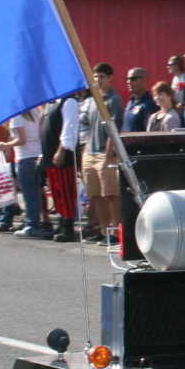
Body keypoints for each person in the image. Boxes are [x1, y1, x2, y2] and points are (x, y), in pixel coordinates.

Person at [77, 63, 124, 244]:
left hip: (106, 153)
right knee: (95, 195)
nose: (98, 80)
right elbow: (84, 128)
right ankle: (104, 231)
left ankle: (116, 232)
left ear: (110, 78)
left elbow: (114, 129)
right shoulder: (90, 101)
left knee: (110, 194)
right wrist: (84, 152)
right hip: (89, 152)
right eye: (95, 76)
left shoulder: (114, 100)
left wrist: (108, 154)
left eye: (102, 76)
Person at [41, 92, 82, 242]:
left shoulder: (69, 101)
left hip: (63, 156)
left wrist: (62, 150)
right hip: (49, 154)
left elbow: (69, 128)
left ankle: (68, 227)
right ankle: (61, 221)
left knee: (66, 192)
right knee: (56, 191)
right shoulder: (51, 103)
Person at [2, 107, 46, 238]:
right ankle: (35, 222)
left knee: (29, 194)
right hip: (37, 155)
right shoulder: (36, 112)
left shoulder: (17, 117)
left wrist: (6, 145)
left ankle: (32, 225)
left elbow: (22, 139)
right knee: (35, 193)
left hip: (25, 157)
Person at [121, 67, 158, 132]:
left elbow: (151, 132)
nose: (128, 82)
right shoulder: (131, 101)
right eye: (127, 79)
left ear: (144, 80)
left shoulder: (150, 103)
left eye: (133, 79)